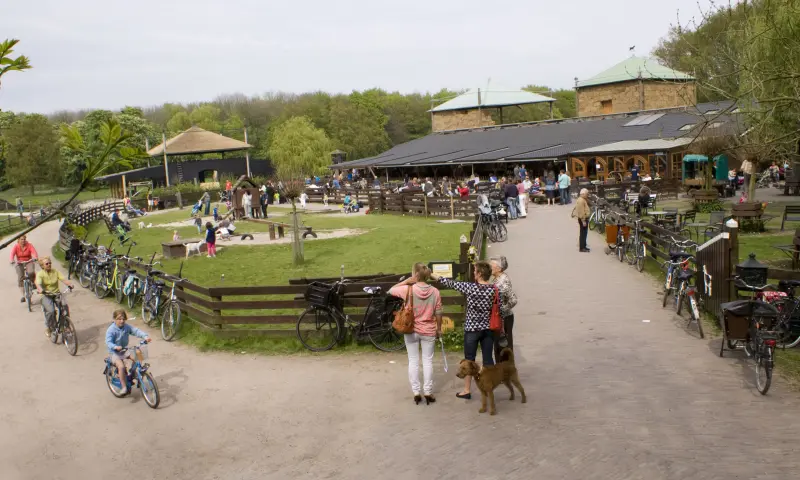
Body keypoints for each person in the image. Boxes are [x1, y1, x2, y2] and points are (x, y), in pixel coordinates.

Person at [432, 261, 496, 400]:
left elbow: (449, 283)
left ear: (479, 274)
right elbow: (500, 309)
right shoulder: (494, 289)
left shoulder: (471, 287)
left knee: (469, 360)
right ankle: (489, 388)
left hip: (472, 329)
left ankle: (467, 390)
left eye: (475, 271)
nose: (473, 273)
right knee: (488, 360)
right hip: (488, 329)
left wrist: (431, 273)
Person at [389, 263, 443, 405]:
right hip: (428, 330)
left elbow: (390, 290)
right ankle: (428, 391)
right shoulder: (435, 292)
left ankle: (416, 392)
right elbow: (438, 312)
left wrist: (407, 281)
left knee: (413, 360)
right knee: (428, 361)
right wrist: (439, 328)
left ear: (415, 275)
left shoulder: (408, 289)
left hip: (410, 329)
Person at [105, 309, 151, 396]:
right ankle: (123, 387)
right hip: (114, 352)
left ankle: (135, 372)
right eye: (119, 319)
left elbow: (136, 331)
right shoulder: (111, 330)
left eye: (123, 319)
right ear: (114, 319)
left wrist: (145, 336)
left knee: (138, 356)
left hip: (124, 350)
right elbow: (108, 342)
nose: (121, 321)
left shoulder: (126, 327)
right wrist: (115, 346)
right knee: (121, 366)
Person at [35, 256, 74, 337]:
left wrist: (69, 284)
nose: (49, 264)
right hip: (46, 295)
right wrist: (40, 289)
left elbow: (63, 280)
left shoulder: (55, 272)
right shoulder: (40, 274)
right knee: (51, 311)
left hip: (56, 294)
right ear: (42, 265)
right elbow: (38, 284)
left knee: (64, 307)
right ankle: (50, 327)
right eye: (46, 263)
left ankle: (65, 326)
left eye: (50, 263)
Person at [490, 256, 517, 356]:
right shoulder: (496, 278)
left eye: (491, 265)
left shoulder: (503, 281)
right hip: (498, 318)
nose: (490, 267)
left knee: (505, 346)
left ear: (499, 268)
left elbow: (513, 299)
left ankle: (507, 369)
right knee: (498, 345)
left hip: (505, 318)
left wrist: (501, 310)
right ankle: (500, 368)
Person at [10, 235, 38, 303]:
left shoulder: (29, 245)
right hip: (20, 263)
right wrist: (12, 260)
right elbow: (12, 254)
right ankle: (23, 296)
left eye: (24, 239)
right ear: (18, 240)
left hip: (28, 261)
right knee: (20, 277)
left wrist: (35, 257)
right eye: (21, 239)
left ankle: (32, 282)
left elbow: (34, 252)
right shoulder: (16, 246)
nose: (23, 241)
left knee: (31, 272)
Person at [572, 188, 591, 252]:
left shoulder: (582, 199)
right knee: (583, 233)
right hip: (583, 219)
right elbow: (581, 212)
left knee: (584, 233)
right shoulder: (581, 200)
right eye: (586, 194)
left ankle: (584, 246)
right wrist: (583, 220)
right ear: (583, 194)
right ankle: (582, 248)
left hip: (584, 218)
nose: (587, 195)